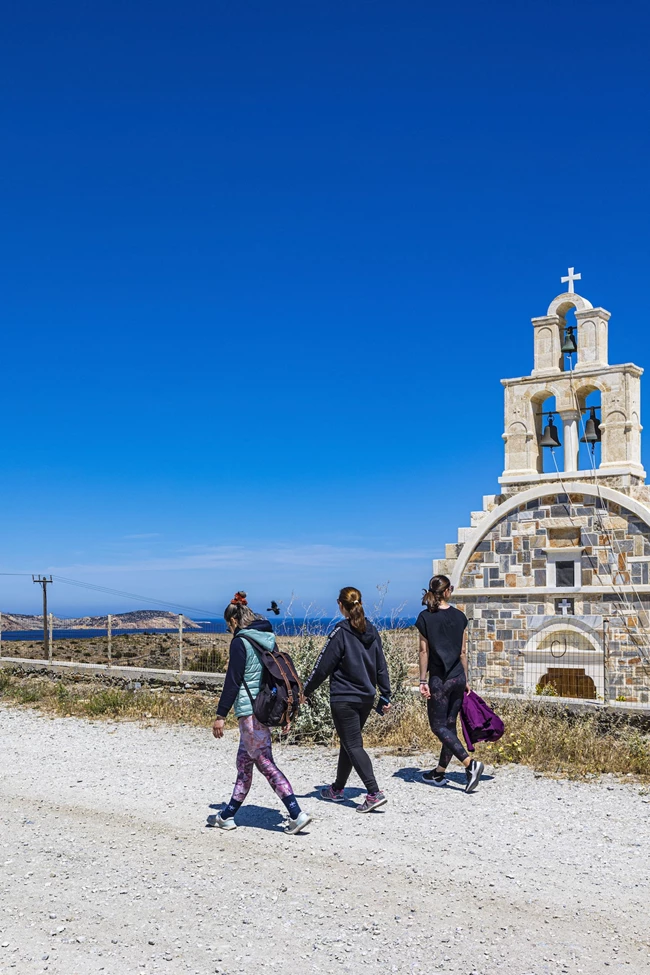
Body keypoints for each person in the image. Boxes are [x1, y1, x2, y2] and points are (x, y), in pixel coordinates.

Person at [210, 592, 312, 834]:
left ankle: (296, 813)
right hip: (266, 707)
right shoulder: (267, 638)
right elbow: (277, 676)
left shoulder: (240, 642)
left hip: (249, 712)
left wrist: (220, 715)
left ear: (234, 621)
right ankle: (227, 815)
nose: (228, 629)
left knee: (265, 762)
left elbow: (232, 681)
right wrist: (286, 712)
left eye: (228, 625)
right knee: (244, 762)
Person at [303, 587, 391, 812]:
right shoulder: (372, 631)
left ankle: (373, 792)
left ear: (340, 605)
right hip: (366, 698)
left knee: (352, 744)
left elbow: (322, 666)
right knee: (348, 742)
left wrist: (305, 691)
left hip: (344, 698)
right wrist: (386, 694)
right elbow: (382, 666)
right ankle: (337, 789)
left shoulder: (340, 632)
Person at [417, 575, 484, 793]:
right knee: (449, 725)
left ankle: (469, 764)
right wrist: (465, 679)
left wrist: (422, 680)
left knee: (438, 726)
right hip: (458, 677)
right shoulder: (460, 616)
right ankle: (439, 773)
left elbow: (423, 651)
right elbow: (463, 652)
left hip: (440, 679)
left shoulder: (425, 618)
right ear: (447, 591)